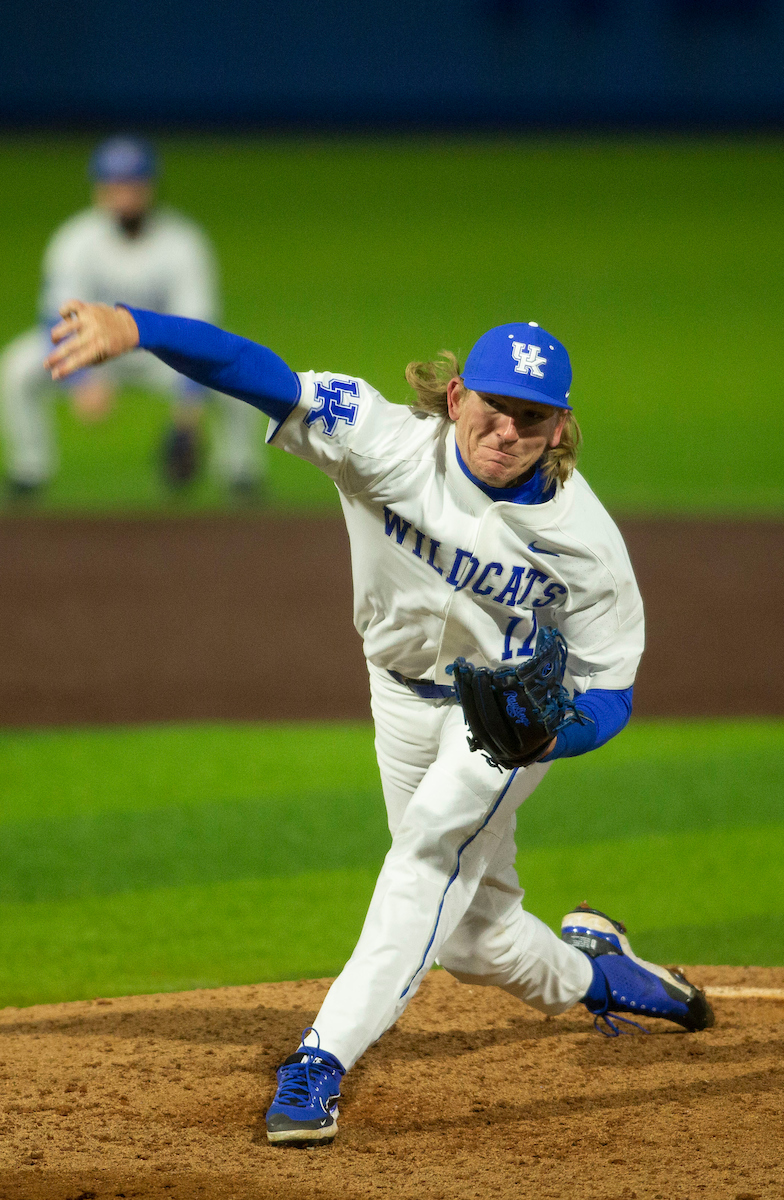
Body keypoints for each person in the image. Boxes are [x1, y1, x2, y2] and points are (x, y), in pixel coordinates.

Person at [44, 299, 715, 1146]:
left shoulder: (587, 545)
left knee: (427, 853)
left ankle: (319, 1062)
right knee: (476, 940)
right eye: (494, 406)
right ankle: (602, 974)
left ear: (560, 428)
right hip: (396, 693)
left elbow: (613, 692)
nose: (506, 430)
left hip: (498, 722)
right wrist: (140, 329)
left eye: (531, 418)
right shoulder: (383, 440)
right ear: (457, 394)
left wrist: (552, 733)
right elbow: (258, 373)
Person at [0, 137, 264, 502]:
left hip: (164, 354)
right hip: (94, 350)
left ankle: (242, 473)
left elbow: (201, 327)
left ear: (151, 188)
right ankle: (29, 470)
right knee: (17, 368)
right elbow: (52, 316)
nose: (125, 195)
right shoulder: (77, 240)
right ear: (99, 191)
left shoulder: (182, 242)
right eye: (115, 185)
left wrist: (188, 412)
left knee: (240, 369)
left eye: (134, 185)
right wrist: (81, 381)